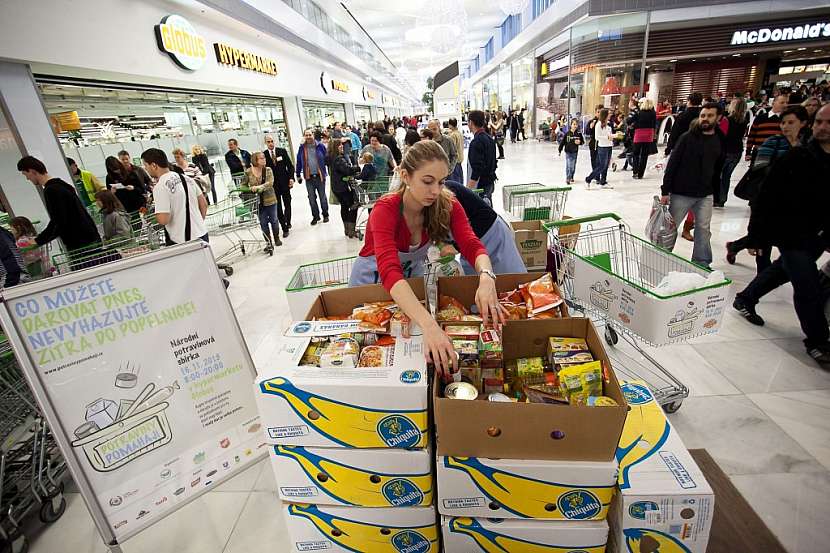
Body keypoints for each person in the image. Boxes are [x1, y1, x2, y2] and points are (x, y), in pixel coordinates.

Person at [348, 141, 504, 376]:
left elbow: (471, 244)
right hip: (372, 282)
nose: (435, 190)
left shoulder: (446, 204)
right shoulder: (385, 209)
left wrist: (486, 275)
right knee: (371, 351)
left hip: (410, 285)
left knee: (409, 353)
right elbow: (389, 270)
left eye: (441, 182)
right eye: (427, 181)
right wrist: (429, 325)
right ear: (405, 176)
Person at [732, 103, 830, 365]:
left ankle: (745, 298)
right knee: (807, 285)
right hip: (791, 233)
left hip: (817, 234)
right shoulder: (798, 157)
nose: (822, 127)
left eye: (827, 123)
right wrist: (757, 237)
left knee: (783, 271)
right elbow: (765, 196)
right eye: (819, 121)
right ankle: (818, 341)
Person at [726, 105, 810, 270]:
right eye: (783, 122)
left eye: (791, 122)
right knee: (763, 242)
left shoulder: (809, 146)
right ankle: (757, 283)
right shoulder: (774, 142)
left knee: (772, 238)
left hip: (793, 204)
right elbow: (759, 169)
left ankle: (735, 246)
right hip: (765, 199)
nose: (785, 126)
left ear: (803, 123)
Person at [659, 103, 725, 269]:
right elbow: (672, 165)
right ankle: (659, 257)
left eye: (710, 115)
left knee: (703, 228)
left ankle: (701, 262)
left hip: (705, 193)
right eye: (703, 115)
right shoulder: (687, 138)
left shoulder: (719, 139)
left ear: (718, 118)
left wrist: (716, 192)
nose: (705, 119)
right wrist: (665, 190)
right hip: (682, 192)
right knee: (670, 227)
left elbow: (717, 168)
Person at [17, 156, 102, 255]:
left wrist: (38, 240)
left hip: (80, 242)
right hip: (89, 236)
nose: (27, 178)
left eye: (25, 174)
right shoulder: (62, 185)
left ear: (32, 171)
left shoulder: (51, 190)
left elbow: (59, 221)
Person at [443, 180, 526, 275]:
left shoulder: (449, 194)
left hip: (491, 233)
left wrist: (456, 247)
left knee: (511, 278)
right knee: (475, 280)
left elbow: (482, 218)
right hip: (472, 242)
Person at [140, 148, 208, 245]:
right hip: (202, 233)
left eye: (146, 165)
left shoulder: (160, 186)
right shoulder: (186, 178)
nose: (145, 169)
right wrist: (197, 224)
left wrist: (152, 216)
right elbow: (204, 204)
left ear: (154, 165)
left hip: (182, 240)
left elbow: (164, 219)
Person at [243, 151, 281, 253]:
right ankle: (269, 242)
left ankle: (276, 238)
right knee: (263, 223)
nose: (264, 159)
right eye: (261, 158)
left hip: (271, 199)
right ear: (255, 160)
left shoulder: (267, 170)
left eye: (264, 158)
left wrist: (260, 187)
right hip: (258, 202)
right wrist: (250, 189)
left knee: (274, 220)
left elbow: (270, 183)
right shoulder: (248, 172)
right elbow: (243, 185)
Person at [717, 98, 749, 207]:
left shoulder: (727, 120)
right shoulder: (744, 121)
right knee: (727, 176)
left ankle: (717, 198)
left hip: (726, 150)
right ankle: (722, 199)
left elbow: (722, 136)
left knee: (719, 175)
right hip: (737, 150)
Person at [296, 129, 329, 225]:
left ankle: (325, 215)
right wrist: (298, 174)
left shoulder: (320, 146)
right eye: (306, 135)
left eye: (310, 135)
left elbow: (326, 158)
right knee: (311, 199)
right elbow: (299, 161)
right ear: (304, 136)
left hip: (320, 176)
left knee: (322, 197)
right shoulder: (302, 148)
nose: (308, 137)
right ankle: (316, 216)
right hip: (308, 177)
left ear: (313, 135)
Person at [328, 139, 360, 238]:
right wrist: (358, 168)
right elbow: (347, 170)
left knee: (344, 207)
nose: (341, 146)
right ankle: (351, 230)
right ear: (335, 147)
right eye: (339, 145)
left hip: (336, 187)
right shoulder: (338, 159)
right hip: (344, 187)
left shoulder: (330, 158)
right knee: (353, 206)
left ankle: (347, 229)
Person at [264, 135, 294, 238]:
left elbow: (290, 166)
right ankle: (284, 227)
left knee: (287, 203)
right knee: (278, 207)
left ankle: (288, 221)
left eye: (272, 141)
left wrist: (291, 178)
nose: (271, 143)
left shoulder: (282, 151)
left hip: (285, 183)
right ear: (266, 143)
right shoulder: (264, 155)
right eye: (268, 142)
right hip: (273, 186)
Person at [745, 92, 789, 163]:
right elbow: (752, 135)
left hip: (776, 155)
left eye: (786, 102)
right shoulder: (760, 117)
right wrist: (748, 152)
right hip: (759, 152)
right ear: (773, 103)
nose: (785, 105)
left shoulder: (786, 120)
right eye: (782, 102)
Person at [466, 110, 498, 203]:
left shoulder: (476, 143)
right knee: (488, 208)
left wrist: (468, 190)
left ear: (471, 122)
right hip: (490, 182)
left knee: (481, 212)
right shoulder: (489, 139)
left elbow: (477, 170)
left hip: (480, 186)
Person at [584, 109, 614, 189]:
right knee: (601, 166)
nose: (610, 115)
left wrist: (614, 136)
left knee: (606, 165)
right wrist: (607, 137)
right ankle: (588, 179)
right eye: (609, 114)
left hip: (609, 146)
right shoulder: (598, 124)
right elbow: (597, 137)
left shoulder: (609, 124)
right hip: (602, 147)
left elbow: (610, 135)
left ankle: (603, 182)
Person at [631, 98, 657, 180]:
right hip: (649, 134)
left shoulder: (639, 112)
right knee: (644, 155)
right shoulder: (653, 113)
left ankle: (635, 171)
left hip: (639, 134)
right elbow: (654, 124)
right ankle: (641, 174)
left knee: (636, 154)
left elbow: (629, 120)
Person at [558, 119, 584, 184]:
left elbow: (582, 142)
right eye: (574, 124)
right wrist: (560, 150)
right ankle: (568, 178)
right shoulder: (567, 134)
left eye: (576, 124)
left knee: (573, 166)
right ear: (571, 125)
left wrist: (579, 142)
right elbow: (563, 142)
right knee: (569, 165)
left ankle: (572, 176)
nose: (575, 126)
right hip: (568, 152)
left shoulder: (578, 134)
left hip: (575, 152)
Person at [447, 118, 465, 184]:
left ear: (450, 125)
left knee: (455, 182)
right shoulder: (459, 133)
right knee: (460, 180)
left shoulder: (452, 135)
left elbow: (452, 149)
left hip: (455, 162)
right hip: (460, 159)